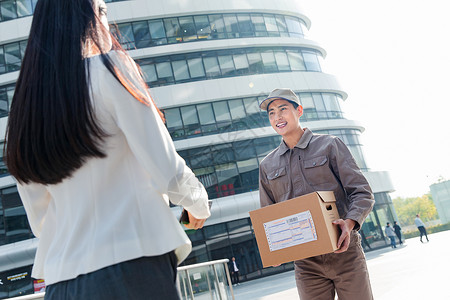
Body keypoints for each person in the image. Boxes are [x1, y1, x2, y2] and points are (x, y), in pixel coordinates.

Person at [5, 1, 210, 299]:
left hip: (61, 283)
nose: (106, 18)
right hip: (130, 268)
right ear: (88, 18)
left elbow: (40, 222)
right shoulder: (108, 70)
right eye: (101, 10)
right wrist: (198, 203)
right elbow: (167, 172)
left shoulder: (25, 110)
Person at [258, 88, 375, 300]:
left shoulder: (330, 145)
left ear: (299, 110)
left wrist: (348, 224)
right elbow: (268, 214)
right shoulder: (268, 165)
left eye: (283, 109)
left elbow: (362, 192)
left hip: (345, 252)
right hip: (306, 263)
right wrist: (273, 248)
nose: (277, 117)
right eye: (271, 113)